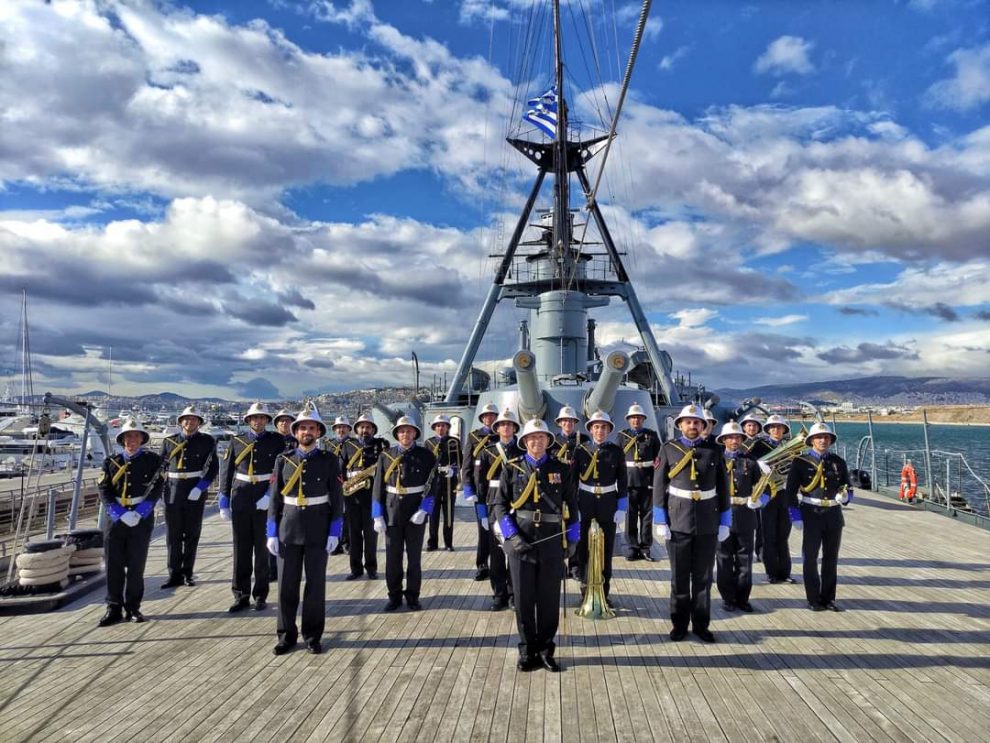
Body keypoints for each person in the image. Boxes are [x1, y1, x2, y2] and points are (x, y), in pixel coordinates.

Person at [492, 419, 578, 672]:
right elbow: (499, 505)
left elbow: (572, 506)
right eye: (532, 438)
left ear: (548, 441)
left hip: (551, 542)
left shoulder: (561, 469)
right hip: (521, 541)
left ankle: (546, 650)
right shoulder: (512, 468)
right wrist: (511, 536)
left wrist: (573, 539)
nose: (536, 441)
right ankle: (527, 650)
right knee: (523, 599)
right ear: (525, 442)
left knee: (549, 600)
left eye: (541, 437)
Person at [266, 404, 344, 655]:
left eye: (311, 428)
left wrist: (335, 531)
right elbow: (275, 499)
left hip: (318, 528)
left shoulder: (330, 460)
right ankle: (286, 635)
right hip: (288, 529)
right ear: (295, 432)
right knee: (286, 586)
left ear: (318, 432)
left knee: (315, 586)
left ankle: (312, 635)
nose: (306, 432)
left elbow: (337, 498)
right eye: (302, 428)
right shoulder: (283, 459)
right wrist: (271, 531)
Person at [653, 403, 731, 642]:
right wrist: (659, 519)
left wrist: (725, 520)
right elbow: (658, 486)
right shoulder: (668, 449)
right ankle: (679, 624)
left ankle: (701, 625)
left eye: (697, 422)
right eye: (688, 422)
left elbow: (723, 488)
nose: (693, 425)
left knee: (703, 578)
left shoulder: (714, 452)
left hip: (707, 522)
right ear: (680, 425)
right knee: (679, 578)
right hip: (677, 521)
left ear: (703, 425)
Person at [217, 402, 284, 612]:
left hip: (264, 496)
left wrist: (269, 495)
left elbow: (280, 472)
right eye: (254, 418)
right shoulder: (237, 442)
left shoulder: (277, 441)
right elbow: (226, 471)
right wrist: (223, 499)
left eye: (262, 418)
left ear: (266, 420)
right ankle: (240, 594)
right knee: (241, 548)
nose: (258, 421)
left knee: (262, 549)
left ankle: (260, 594)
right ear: (248, 421)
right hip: (242, 496)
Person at [97, 418, 164, 626]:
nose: (132, 440)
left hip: (140, 519)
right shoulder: (111, 462)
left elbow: (157, 489)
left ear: (142, 439)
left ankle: (133, 607)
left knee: (136, 566)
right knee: (113, 565)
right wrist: (118, 513)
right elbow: (104, 490)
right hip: (115, 519)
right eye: (128, 436)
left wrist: (142, 511)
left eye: (136, 436)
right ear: (122, 439)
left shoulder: (153, 462)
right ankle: (113, 607)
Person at [785, 422, 853, 612]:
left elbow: (848, 486)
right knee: (810, 558)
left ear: (830, 440)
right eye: (819, 437)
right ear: (812, 440)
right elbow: (790, 492)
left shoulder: (838, 462)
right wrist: (795, 515)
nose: (823, 440)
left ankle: (828, 598)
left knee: (831, 559)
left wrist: (846, 497)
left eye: (826, 437)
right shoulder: (800, 462)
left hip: (833, 514)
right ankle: (813, 598)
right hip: (811, 514)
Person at [372, 415, 437, 611]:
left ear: (415, 433)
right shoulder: (386, 456)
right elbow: (378, 487)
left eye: (409, 431)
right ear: (396, 434)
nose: (405, 434)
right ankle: (394, 596)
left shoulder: (426, 456)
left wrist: (425, 510)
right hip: (392, 511)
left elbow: (433, 485)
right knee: (393, 558)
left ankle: (413, 596)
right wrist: (377, 514)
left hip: (415, 510)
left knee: (414, 558)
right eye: (402, 431)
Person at [571, 410, 627, 606]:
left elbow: (623, 481)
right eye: (596, 427)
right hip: (585, 502)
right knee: (583, 549)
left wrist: (622, 507)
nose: (600, 430)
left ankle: (604, 592)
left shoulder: (616, 451)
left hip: (608, 503)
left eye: (604, 427)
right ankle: (586, 591)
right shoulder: (580, 450)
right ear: (591, 429)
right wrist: (573, 507)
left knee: (606, 549)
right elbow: (572, 481)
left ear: (609, 430)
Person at [160, 405, 218, 588]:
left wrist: (200, 487)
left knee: (192, 534)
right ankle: (173, 573)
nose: (189, 422)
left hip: (194, 490)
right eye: (186, 419)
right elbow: (160, 468)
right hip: (173, 490)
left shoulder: (207, 441)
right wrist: (160, 492)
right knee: (173, 535)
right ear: (180, 422)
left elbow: (212, 468)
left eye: (193, 419)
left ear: (199, 423)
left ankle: (188, 573)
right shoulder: (169, 442)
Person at [715, 421, 768, 613]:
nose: (734, 440)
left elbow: (767, 486)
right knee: (724, 559)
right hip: (723, 515)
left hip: (746, 513)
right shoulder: (717, 461)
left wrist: (760, 500)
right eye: (730, 437)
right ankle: (727, 598)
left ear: (742, 439)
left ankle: (743, 597)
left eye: (737, 437)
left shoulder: (751, 461)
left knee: (745, 560)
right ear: (723, 440)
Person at [477, 409, 523, 611]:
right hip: (493, 505)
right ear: (497, 428)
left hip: (515, 505)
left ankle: (513, 593)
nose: (506, 428)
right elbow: (480, 484)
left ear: (514, 428)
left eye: (510, 424)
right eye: (502, 425)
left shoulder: (522, 452)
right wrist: (481, 513)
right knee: (496, 553)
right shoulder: (487, 452)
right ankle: (498, 593)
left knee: (513, 551)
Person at [339, 413, 388, 580]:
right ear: (356, 429)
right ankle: (355, 569)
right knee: (353, 534)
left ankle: (371, 567)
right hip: (352, 495)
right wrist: (344, 485)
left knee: (370, 535)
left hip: (371, 494)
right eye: (362, 427)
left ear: (373, 429)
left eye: (368, 427)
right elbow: (341, 469)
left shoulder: (381, 445)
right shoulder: (347, 446)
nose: (364, 430)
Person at [753, 414, 795, 584]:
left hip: (784, 493)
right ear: (768, 430)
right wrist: (759, 463)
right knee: (768, 535)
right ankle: (771, 572)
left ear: (784, 430)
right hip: (767, 493)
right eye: (773, 427)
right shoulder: (759, 446)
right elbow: (750, 464)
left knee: (783, 536)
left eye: (779, 427)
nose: (776, 430)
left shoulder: (790, 446)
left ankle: (785, 572)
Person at [617, 403, 660, 561]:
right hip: (628, 480)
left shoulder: (652, 436)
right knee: (630, 516)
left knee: (647, 516)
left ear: (643, 419)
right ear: (629, 420)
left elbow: (658, 459)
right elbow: (616, 459)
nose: (636, 420)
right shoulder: (622, 436)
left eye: (639, 418)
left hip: (647, 480)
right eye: (633, 418)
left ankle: (646, 547)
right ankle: (632, 547)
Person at [549, 405, 588, 580]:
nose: (568, 423)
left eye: (571, 421)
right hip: (557, 492)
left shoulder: (583, 440)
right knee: (558, 529)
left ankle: (575, 566)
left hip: (577, 490)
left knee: (575, 527)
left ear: (575, 423)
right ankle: (559, 565)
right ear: (559, 423)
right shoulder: (552, 442)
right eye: (564, 421)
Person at [461, 402, 499, 582]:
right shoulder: (474, 437)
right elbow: (467, 464)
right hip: (481, 489)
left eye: (492, 415)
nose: (489, 418)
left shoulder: (501, 436)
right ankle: (482, 565)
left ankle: (500, 565)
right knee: (483, 529)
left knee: (500, 528)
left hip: (500, 489)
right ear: (482, 418)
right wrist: (468, 488)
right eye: (487, 416)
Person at [425, 414, 462, 553]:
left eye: (443, 425)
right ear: (435, 427)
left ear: (447, 427)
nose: (441, 428)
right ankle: (432, 542)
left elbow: (459, 460)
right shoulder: (429, 443)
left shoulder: (454, 441)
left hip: (449, 481)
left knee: (448, 513)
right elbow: (426, 462)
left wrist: (454, 470)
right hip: (435, 480)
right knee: (433, 513)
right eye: (438, 425)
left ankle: (448, 542)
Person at [325, 415, 353, 555]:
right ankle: (334, 542)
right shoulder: (329, 444)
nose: (341, 430)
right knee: (333, 513)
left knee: (347, 514)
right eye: (338, 427)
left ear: (348, 429)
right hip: (331, 483)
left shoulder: (354, 445)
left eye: (344, 427)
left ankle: (346, 542)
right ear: (334, 429)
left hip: (348, 482)